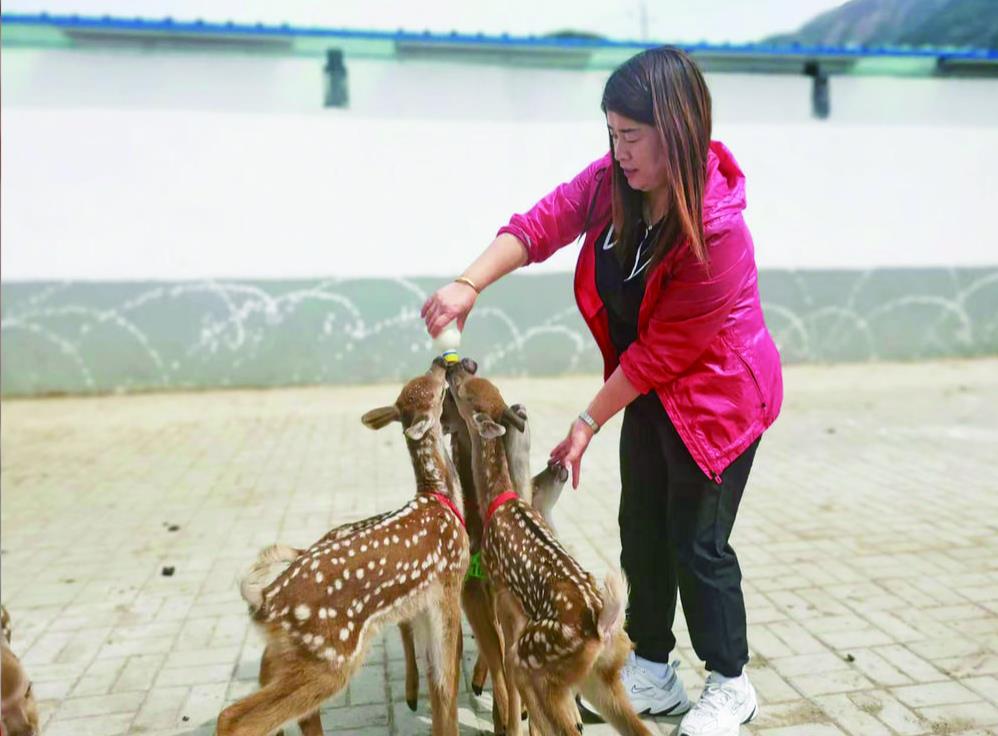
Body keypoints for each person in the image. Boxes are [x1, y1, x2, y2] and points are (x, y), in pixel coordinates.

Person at [421, 46, 782, 736]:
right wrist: (468, 283)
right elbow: (540, 225)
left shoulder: (720, 233)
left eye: (631, 136)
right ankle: (652, 667)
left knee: (697, 542)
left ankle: (731, 683)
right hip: (649, 390)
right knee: (640, 524)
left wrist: (586, 421)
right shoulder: (612, 184)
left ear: (676, 130)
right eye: (611, 134)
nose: (617, 151)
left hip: (718, 401)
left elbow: (661, 352)